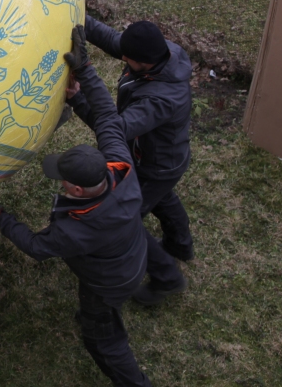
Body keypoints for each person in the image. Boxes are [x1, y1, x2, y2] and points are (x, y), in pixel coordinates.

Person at [0, 25, 169, 387]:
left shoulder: (76, 230)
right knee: (102, 301)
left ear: (75, 188)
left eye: (61, 178)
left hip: (109, 283)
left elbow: (36, 246)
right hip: (129, 257)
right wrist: (86, 74)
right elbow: (107, 118)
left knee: (102, 340)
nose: (58, 180)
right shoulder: (121, 169)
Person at [67, 16, 193, 305]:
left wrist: (78, 99)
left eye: (128, 59)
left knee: (127, 222)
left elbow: (114, 130)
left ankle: (167, 278)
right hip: (164, 159)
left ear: (145, 63)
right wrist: (75, 15)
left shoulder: (161, 100)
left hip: (155, 166)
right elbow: (115, 41)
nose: (122, 58)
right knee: (162, 199)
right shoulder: (163, 53)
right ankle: (180, 246)